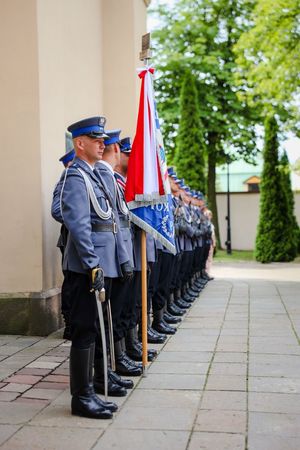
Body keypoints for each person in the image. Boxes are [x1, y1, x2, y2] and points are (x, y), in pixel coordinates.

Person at [53, 116, 122, 419]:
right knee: (83, 329)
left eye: (102, 139)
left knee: (93, 328)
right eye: (96, 139)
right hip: (83, 268)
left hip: (93, 265)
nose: (102, 143)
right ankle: (81, 398)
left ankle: (91, 390)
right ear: (79, 143)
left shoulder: (90, 175)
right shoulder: (76, 177)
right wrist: (93, 265)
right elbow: (79, 227)